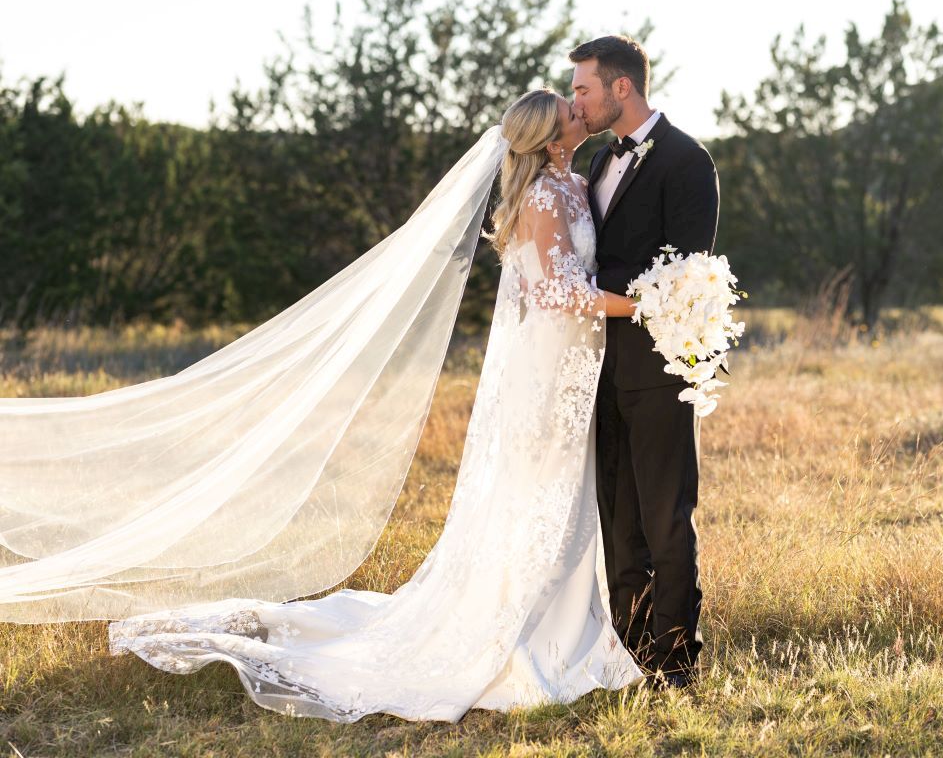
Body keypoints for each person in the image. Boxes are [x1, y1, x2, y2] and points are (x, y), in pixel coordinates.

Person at [102, 88, 645, 722]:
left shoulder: (574, 183)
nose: (583, 112)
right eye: (572, 111)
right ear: (552, 137)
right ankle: (527, 629)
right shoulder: (546, 196)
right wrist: (644, 304)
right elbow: (556, 293)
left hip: (573, 364)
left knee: (563, 490)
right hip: (549, 368)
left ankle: (567, 616)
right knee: (538, 492)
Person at [570, 35, 720, 687]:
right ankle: (627, 653)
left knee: (665, 511)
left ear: (620, 87)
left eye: (583, 89)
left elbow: (688, 271)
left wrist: (596, 294)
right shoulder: (601, 158)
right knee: (618, 512)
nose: (577, 101)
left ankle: (676, 656)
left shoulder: (687, 160)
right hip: (599, 364)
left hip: (659, 365)